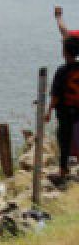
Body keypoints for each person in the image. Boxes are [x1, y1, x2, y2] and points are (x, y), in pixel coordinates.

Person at [45, 36, 79, 181]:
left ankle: (63, 171)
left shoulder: (62, 71)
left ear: (65, 52)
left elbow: (56, 95)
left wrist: (48, 112)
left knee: (64, 140)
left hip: (65, 111)